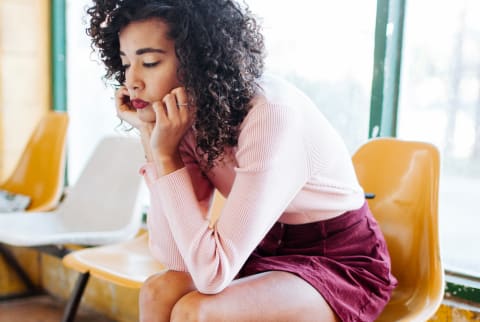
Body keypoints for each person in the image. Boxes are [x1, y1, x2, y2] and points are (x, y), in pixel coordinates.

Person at [86, 0, 397, 321]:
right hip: (258, 247)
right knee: (158, 291)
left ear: (199, 60)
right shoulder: (182, 120)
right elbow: (174, 257)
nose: (131, 81)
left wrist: (164, 154)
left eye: (149, 62)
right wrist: (152, 138)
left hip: (337, 259)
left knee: (196, 311)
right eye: (125, 64)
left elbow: (210, 275)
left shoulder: (271, 114)